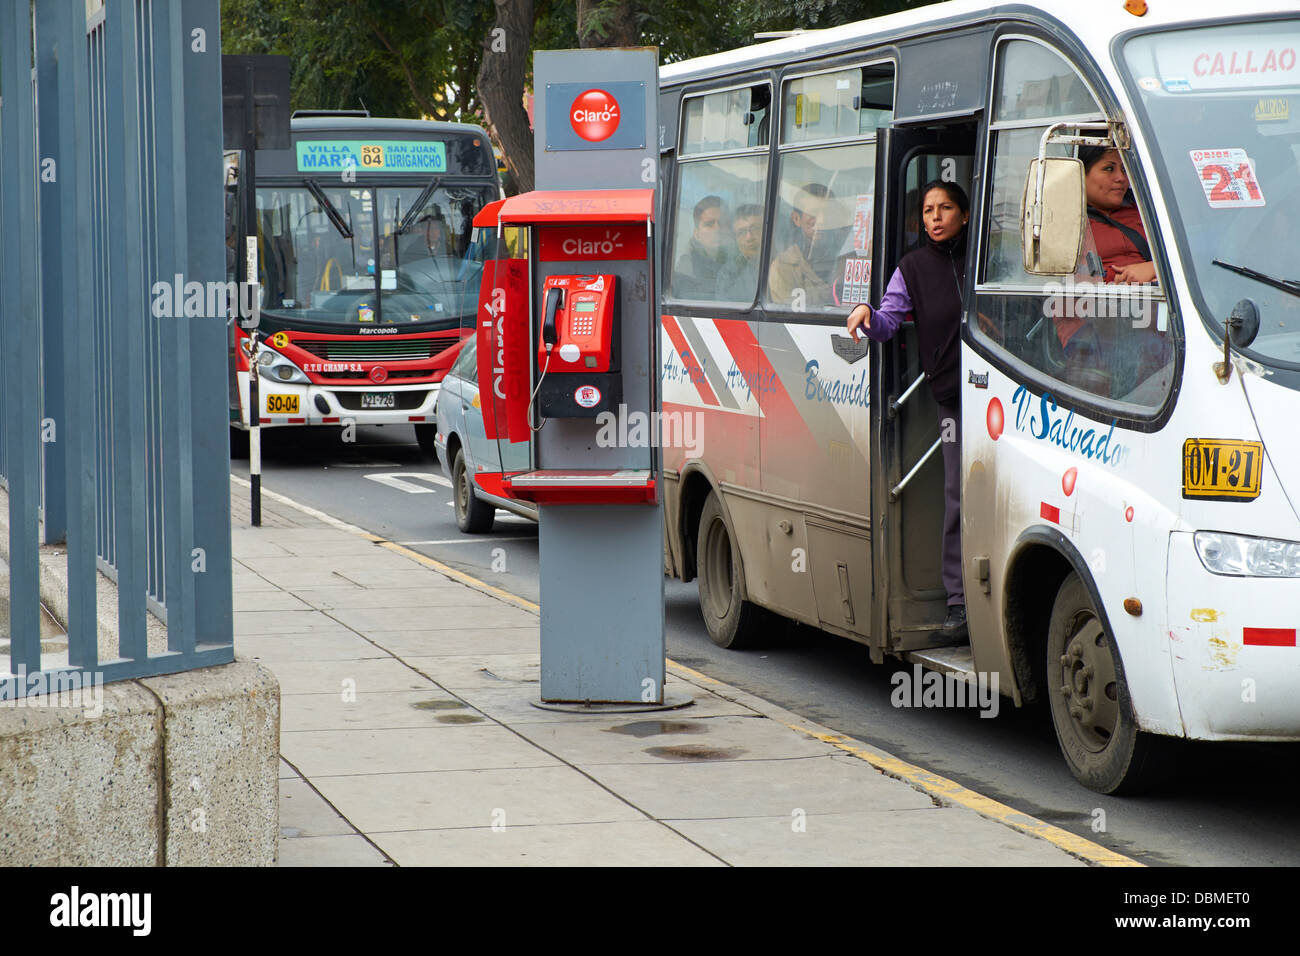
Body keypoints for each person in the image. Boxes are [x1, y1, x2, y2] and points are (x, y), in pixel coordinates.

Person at [846, 180, 970, 641]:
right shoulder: (912, 267)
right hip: (954, 400)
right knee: (957, 496)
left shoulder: (984, 261)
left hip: (1009, 399)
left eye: (945, 208)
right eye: (927, 210)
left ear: (963, 214)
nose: (935, 218)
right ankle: (958, 603)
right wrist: (865, 311)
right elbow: (886, 323)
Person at [1079, 146, 1155, 284]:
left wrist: (1154, 269)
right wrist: (1122, 277)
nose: (1121, 178)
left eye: (1124, 170)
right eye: (1109, 169)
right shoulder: (1067, 220)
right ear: (1080, 173)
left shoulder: (1148, 212)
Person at [768, 183, 833, 306]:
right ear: (796, 218)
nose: (822, 220)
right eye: (813, 213)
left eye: (828, 213)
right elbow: (788, 318)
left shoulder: (846, 258)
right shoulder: (784, 266)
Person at [673, 195, 729, 297]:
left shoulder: (738, 260)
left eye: (722, 223)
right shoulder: (687, 269)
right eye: (709, 224)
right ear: (697, 234)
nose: (717, 229)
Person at [716, 203, 763, 300]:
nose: (749, 237)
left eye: (755, 228)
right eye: (741, 232)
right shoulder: (728, 275)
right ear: (735, 239)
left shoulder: (786, 265)